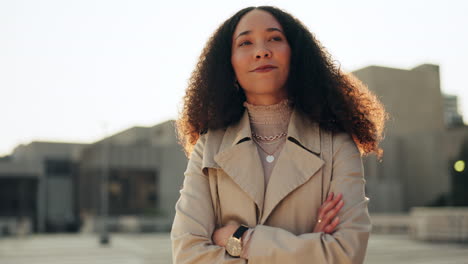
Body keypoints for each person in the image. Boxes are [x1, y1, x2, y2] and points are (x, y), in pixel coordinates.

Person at [171, 5, 387, 264]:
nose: (262, 51)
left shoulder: (338, 145)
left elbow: (345, 254)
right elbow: (187, 254)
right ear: (228, 64)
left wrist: (239, 239)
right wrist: (308, 250)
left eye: (275, 38)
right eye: (245, 42)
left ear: (296, 55)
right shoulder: (209, 147)